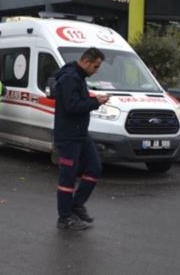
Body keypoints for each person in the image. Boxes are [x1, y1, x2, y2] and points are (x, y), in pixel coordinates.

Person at [52, 47, 109, 230]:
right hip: (68, 136)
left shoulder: (79, 77)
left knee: (94, 168)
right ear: (85, 62)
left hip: (81, 135)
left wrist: (93, 98)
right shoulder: (70, 78)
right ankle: (64, 218)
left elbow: (77, 100)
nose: (96, 70)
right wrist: (95, 102)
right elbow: (72, 106)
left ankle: (76, 205)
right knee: (67, 177)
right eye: (96, 66)